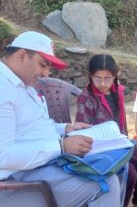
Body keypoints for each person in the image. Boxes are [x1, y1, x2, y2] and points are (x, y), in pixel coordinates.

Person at [0, 31, 126, 206]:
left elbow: (31, 129)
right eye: (43, 65)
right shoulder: (3, 89)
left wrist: (66, 128)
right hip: (17, 183)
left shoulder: (21, 84)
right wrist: (61, 146)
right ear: (21, 56)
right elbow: (3, 156)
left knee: (116, 167)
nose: (46, 73)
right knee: (106, 183)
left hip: (39, 167)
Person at [75, 54, 137, 206]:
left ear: (115, 76)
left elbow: (121, 122)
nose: (103, 83)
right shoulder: (86, 98)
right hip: (100, 148)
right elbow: (82, 131)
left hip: (120, 141)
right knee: (130, 174)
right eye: (98, 78)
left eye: (107, 78)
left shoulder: (117, 92)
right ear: (90, 76)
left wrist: (126, 141)